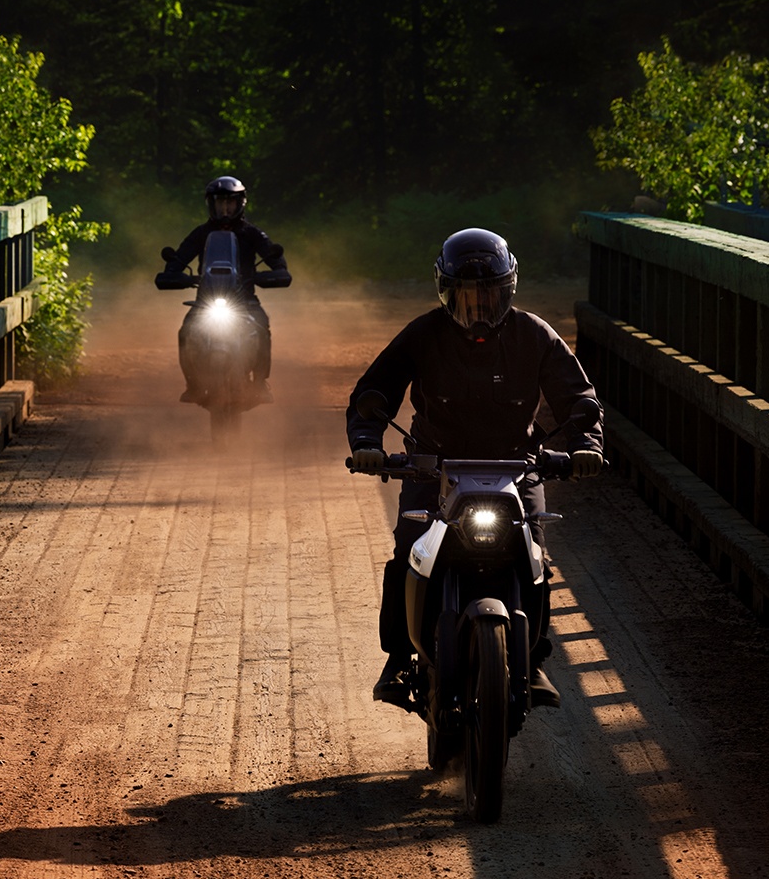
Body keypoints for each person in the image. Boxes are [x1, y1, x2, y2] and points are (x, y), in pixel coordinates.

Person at [347, 227, 604, 707]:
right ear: (446, 292)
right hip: (431, 464)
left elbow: (579, 399)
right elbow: (374, 392)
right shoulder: (422, 335)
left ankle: (535, 658)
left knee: (536, 559)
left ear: (508, 289)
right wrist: (367, 442)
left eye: (488, 293)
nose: (478, 306)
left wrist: (585, 445)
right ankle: (400, 657)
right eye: (467, 295)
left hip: (516, 465)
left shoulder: (534, 335)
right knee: (409, 551)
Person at [165, 175, 289, 403]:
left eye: (229, 203)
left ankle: (260, 383)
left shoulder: (252, 233)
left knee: (262, 326)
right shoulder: (201, 233)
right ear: (211, 204)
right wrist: (172, 273)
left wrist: (276, 272)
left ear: (239, 203)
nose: (224, 208)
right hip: (207, 300)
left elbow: (275, 259)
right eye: (219, 202)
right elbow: (180, 258)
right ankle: (192, 384)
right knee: (185, 331)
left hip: (245, 300)